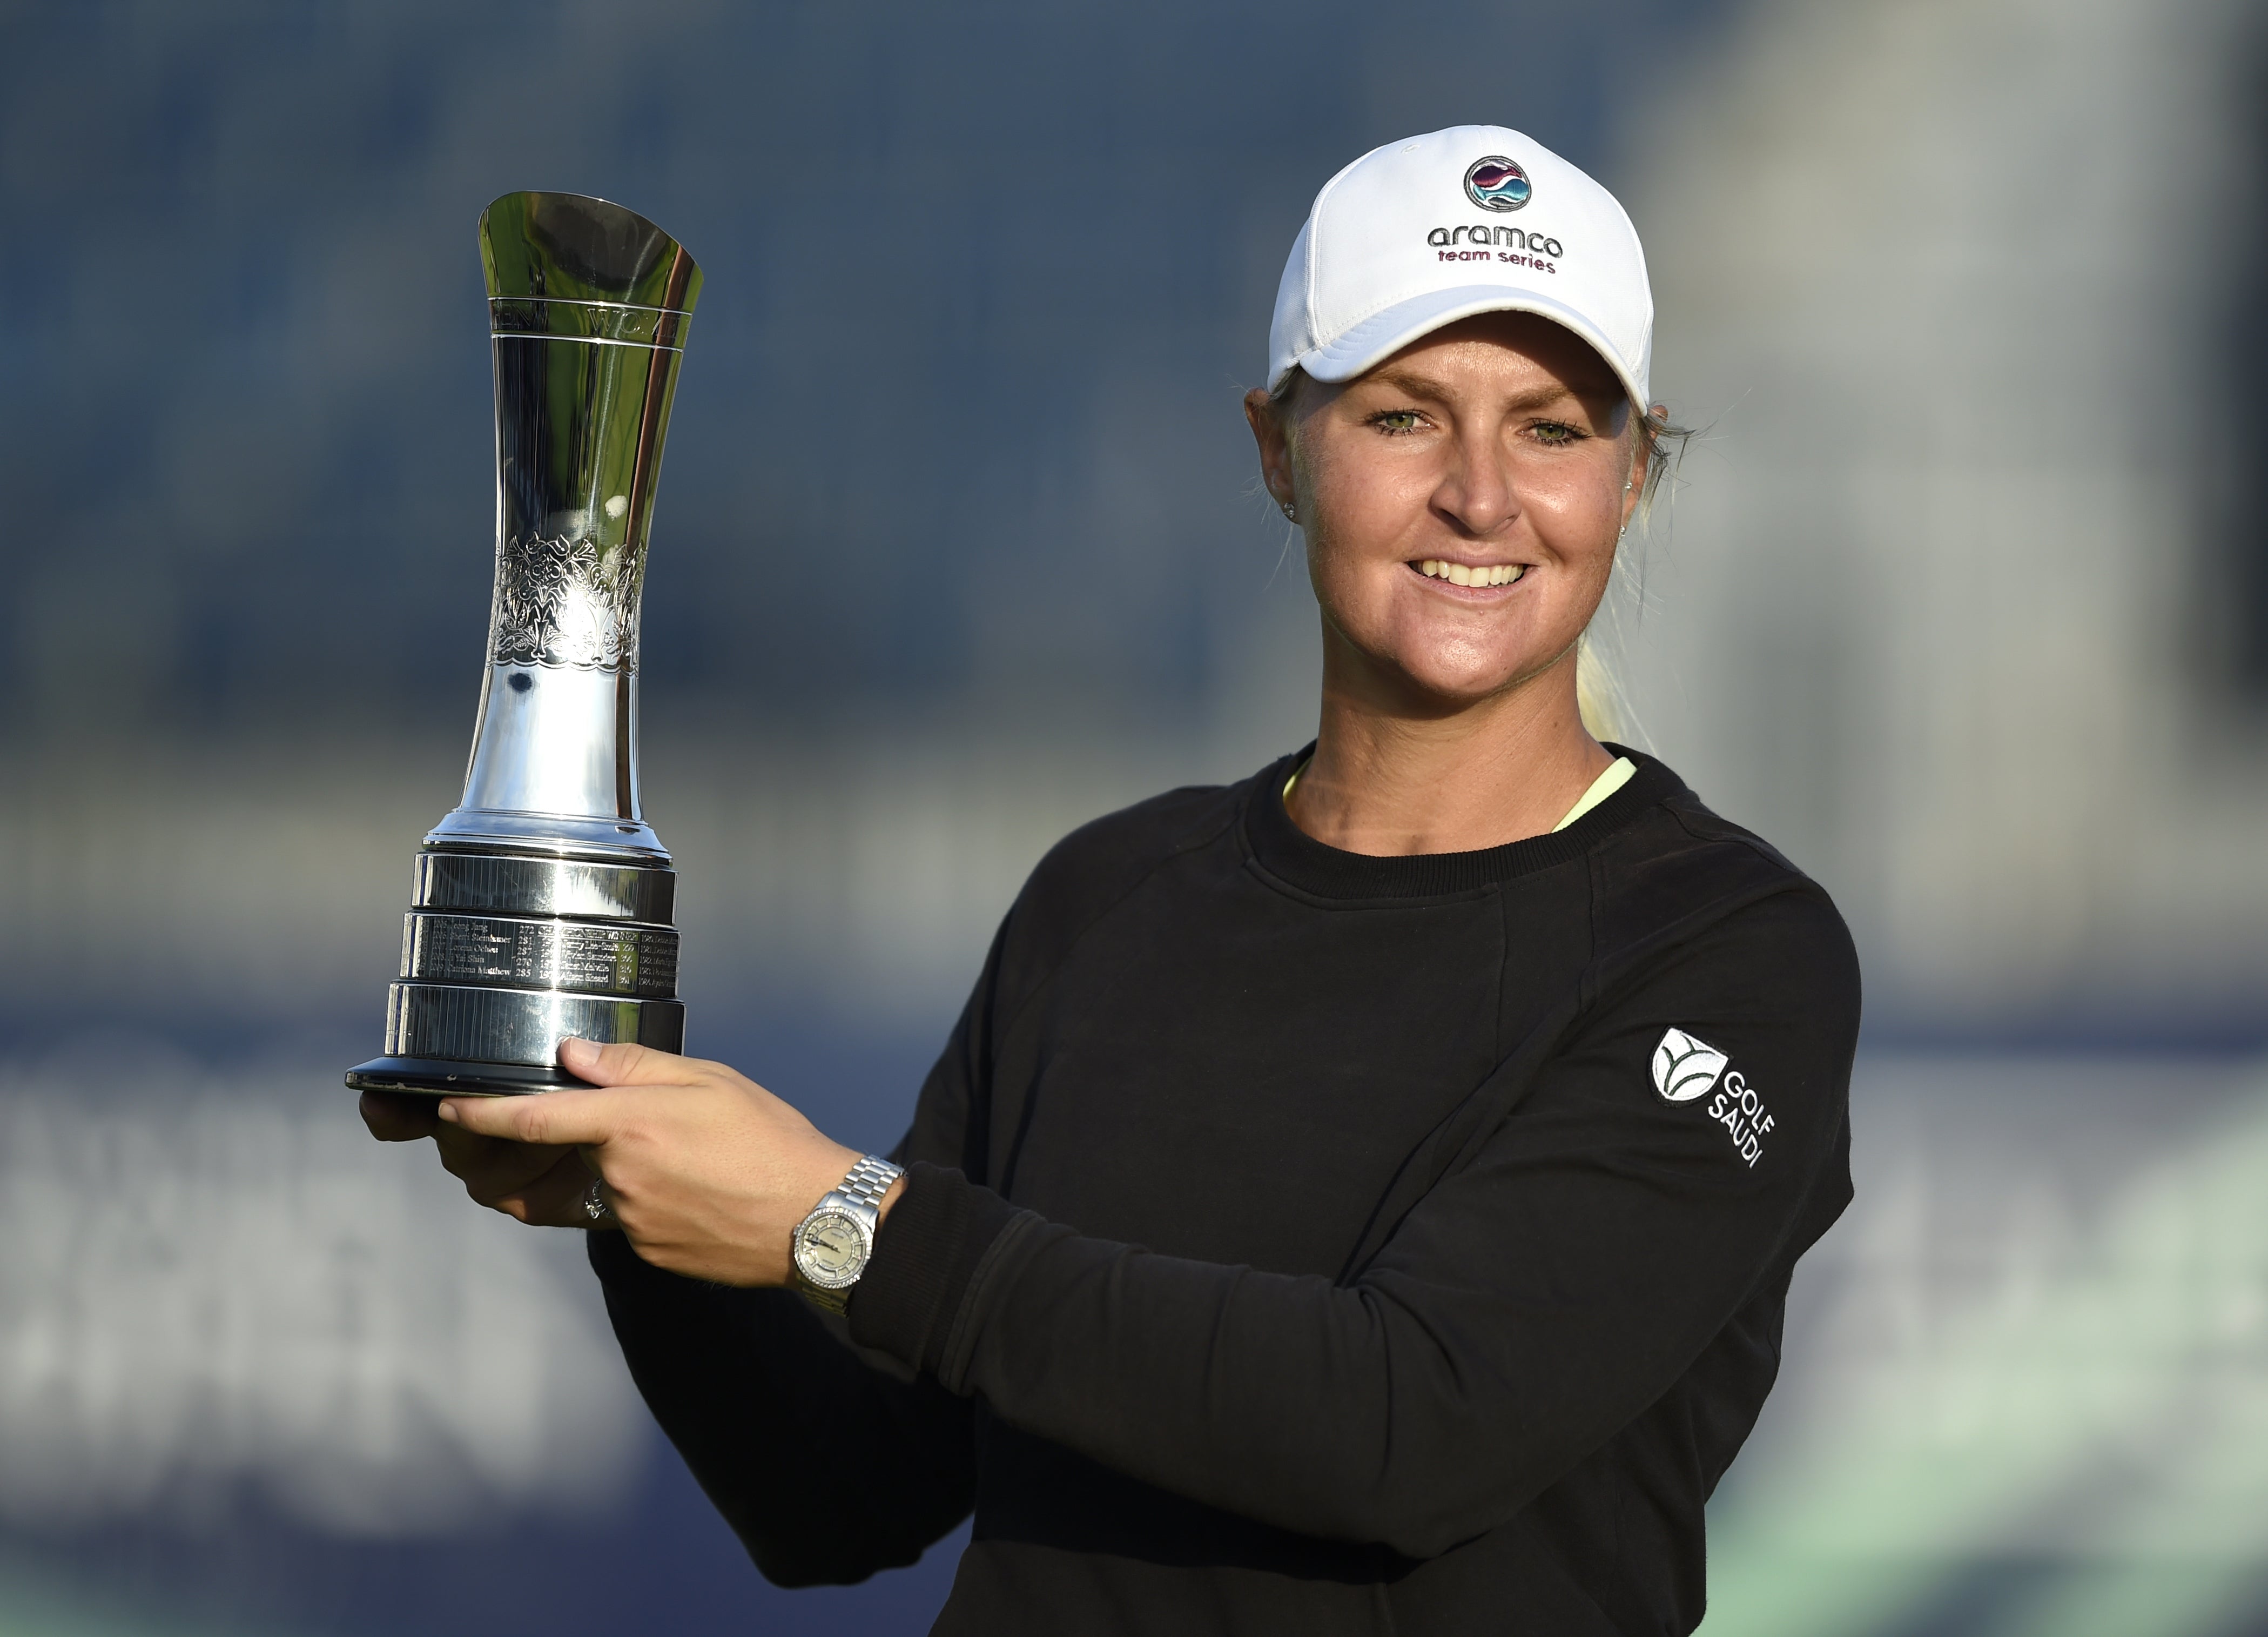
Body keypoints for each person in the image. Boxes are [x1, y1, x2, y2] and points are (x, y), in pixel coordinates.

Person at [364, 124, 1858, 1636]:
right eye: (1405, 417)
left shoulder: (1732, 955)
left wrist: (848, 1219)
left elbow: (1413, 1426)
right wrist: (637, 1192)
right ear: (1278, 449)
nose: (1481, 495)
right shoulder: (1111, 895)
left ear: (1635, 474)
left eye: (1552, 428)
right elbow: (846, 1494)